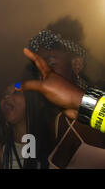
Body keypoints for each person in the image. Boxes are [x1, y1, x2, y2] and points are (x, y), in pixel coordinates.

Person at [21, 24, 105, 168]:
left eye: (52, 63)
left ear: (76, 64)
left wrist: (78, 99)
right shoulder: (53, 121)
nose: (45, 74)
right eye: (39, 69)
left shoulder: (96, 108)